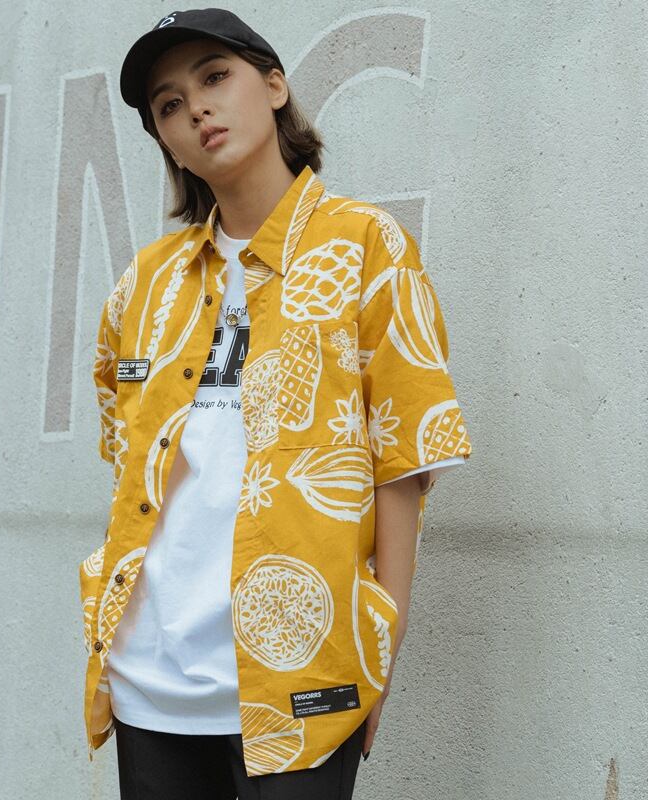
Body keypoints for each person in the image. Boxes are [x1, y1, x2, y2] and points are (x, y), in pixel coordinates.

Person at [78, 8, 473, 799]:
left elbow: (405, 458)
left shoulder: (366, 246)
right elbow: (129, 458)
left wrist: (382, 645)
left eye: (214, 77)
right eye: (168, 104)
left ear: (274, 86)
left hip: (302, 679)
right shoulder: (144, 284)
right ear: (166, 141)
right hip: (150, 678)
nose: (196, 108)